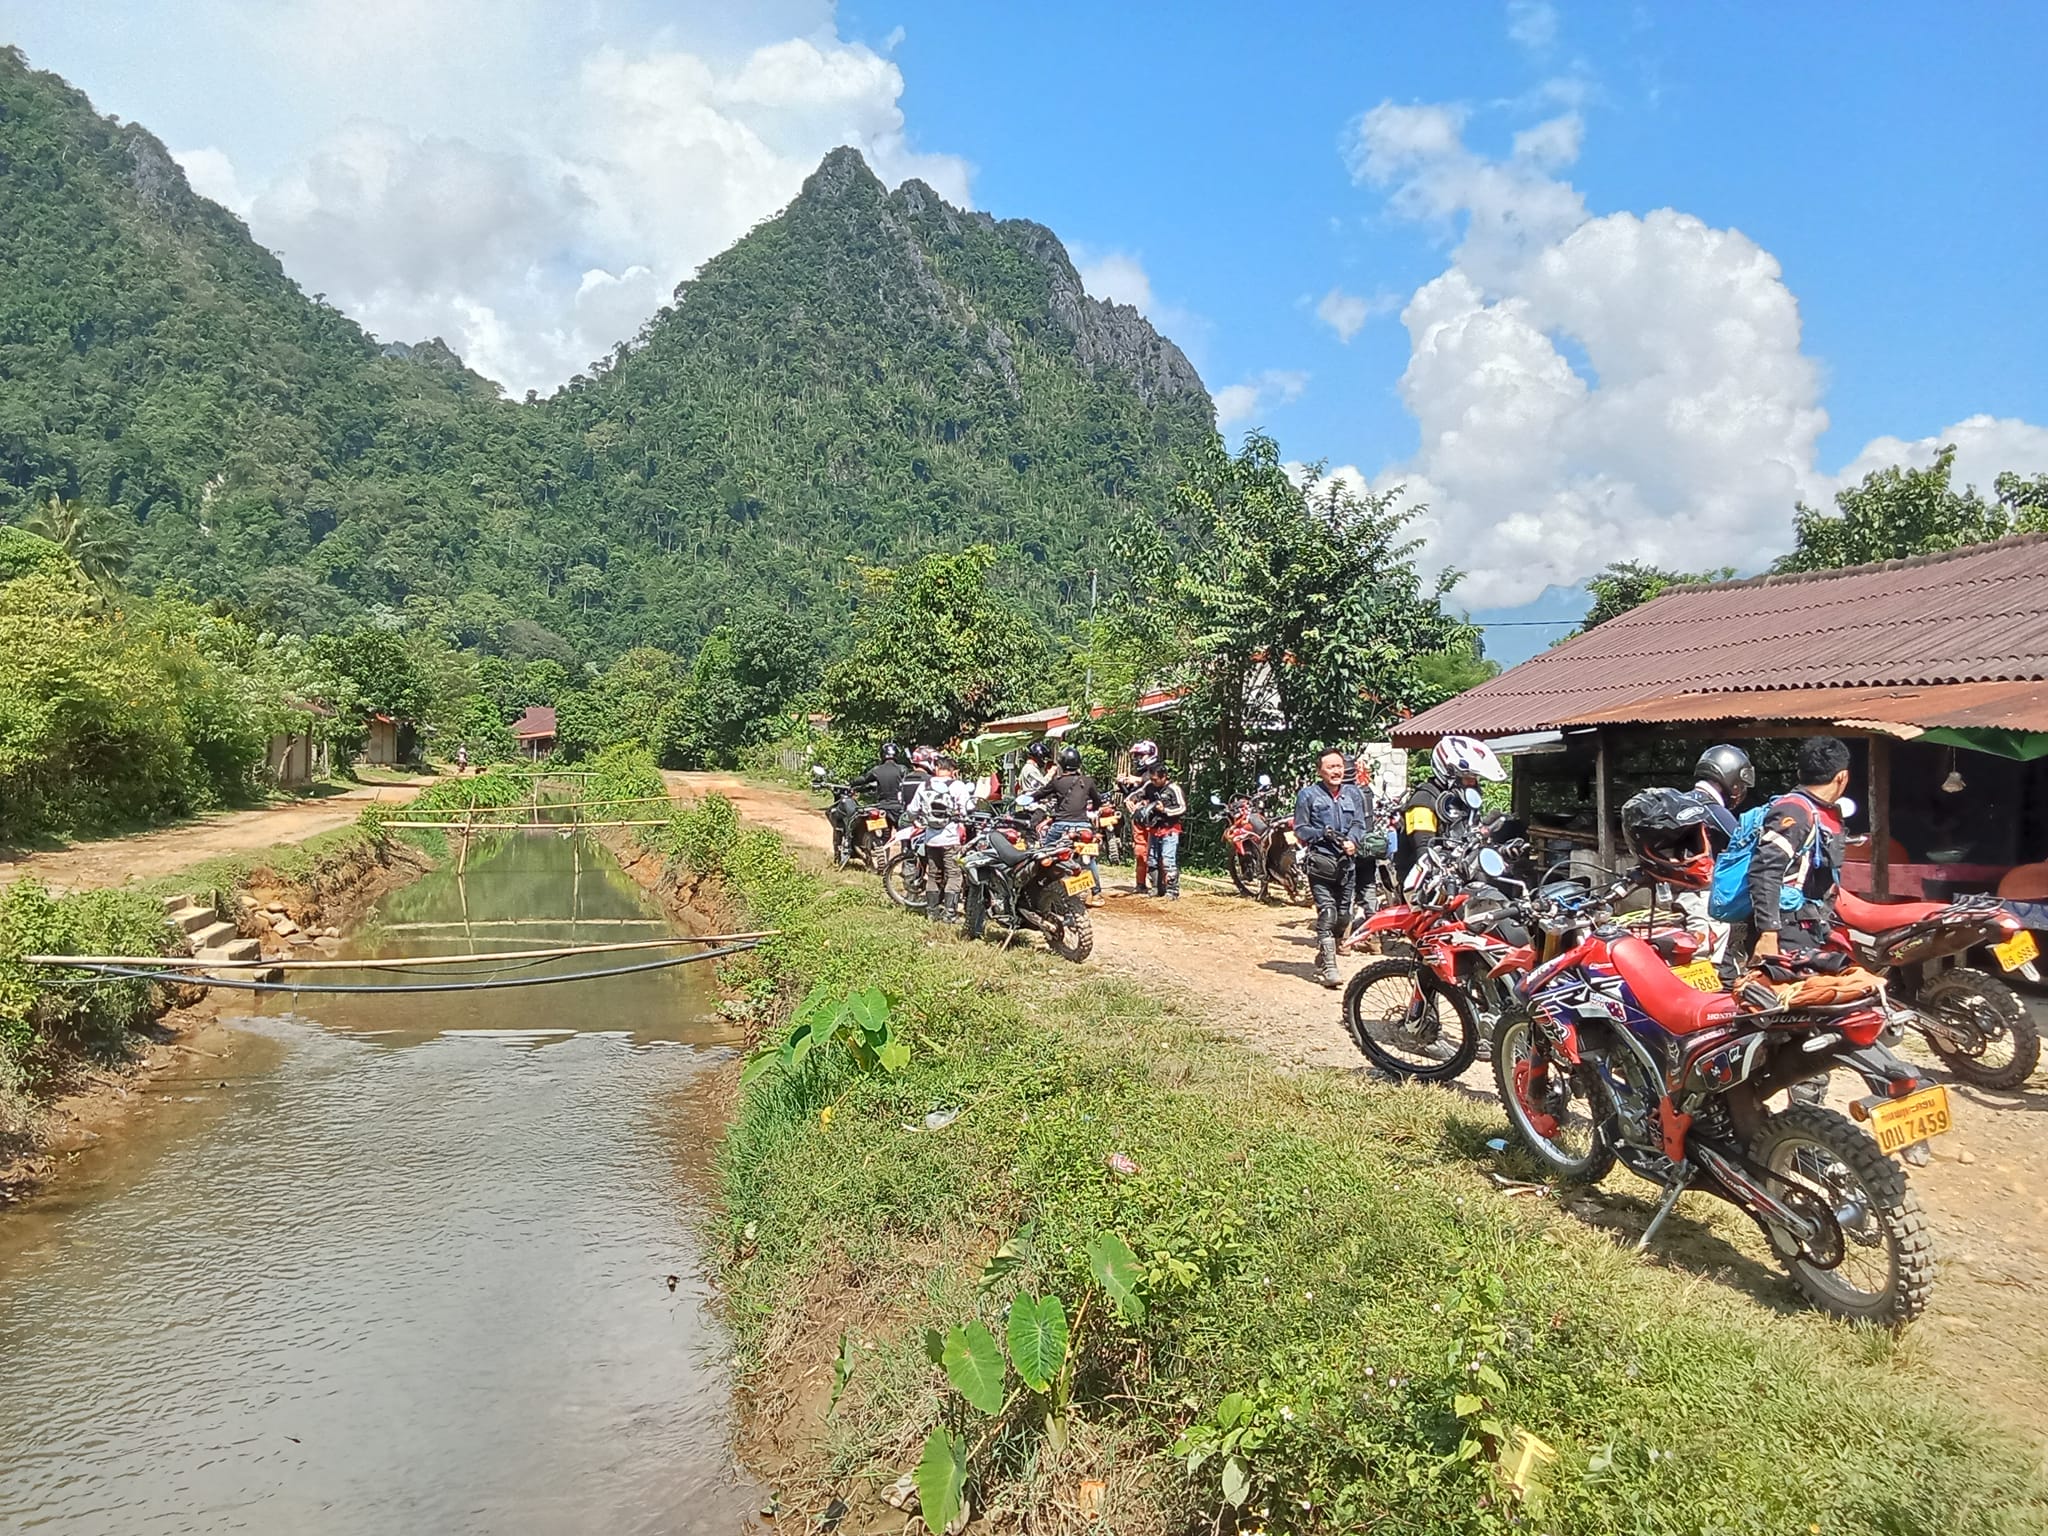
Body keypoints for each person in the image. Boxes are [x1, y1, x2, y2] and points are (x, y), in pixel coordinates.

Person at [1748, 735, 1852, 967]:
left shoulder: (1821, 812)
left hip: (1810, 924)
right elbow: (1765, 870)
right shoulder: (1794, 811)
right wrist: (1768, 933)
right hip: (1787, 929)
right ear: (1842, 777)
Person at [1295, 746, 1375, 987]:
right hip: (1320, 864)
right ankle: (1330, 967)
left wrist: (1353, 840)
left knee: (1344, 916)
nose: (1336, 771)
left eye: (1339, 766)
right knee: (1327, 912)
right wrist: (1323, 834)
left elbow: (1360, 824)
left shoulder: (1354, 794)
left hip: (1346, 865)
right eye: (1330, 767)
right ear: (1320, 771)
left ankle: (1325, 947)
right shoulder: (1307, 795)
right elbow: (1300, 829)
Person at [1393, 735, 1505, 886]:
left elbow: (1472, 839)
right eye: (1467, 777)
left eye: (1475, 777)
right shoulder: (1423, 802)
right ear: (1448, 772)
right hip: (1424, 891)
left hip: (1459, 882)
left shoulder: (1462, 803)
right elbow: (1424, 852)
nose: (1472, 783)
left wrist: (1502, 851)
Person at [905, 754, 976, 923]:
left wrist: (916, 822)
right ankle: (950, 914)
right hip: (951, 838)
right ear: (953, 771)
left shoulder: (925, 785)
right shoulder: (957, 785)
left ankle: (932, 912)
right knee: (954, 875)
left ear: (937, 769)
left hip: (931, 839)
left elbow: (912, 810)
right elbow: (969, 808)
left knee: (933, 875)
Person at [1032, 745, 1106, 906]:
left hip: (1060, 826)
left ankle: (1042, 889)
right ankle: (1096, 894)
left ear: (1061, 764)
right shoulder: (1087, 781)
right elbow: (1097, 800)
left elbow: (1039, 794)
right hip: (1083, 827)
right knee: (1090, 860)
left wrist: (1029, 798)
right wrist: (1092, 808)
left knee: (1045, 852)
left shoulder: (1057, 782)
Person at [1131, 758, 1187, 898]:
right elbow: (1136, 795)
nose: (1153, 782)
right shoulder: (1149, 785)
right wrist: (1132, 802)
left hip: (1170, 829)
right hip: (1154, 828)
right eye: (1152, 779)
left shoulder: (1174, 789)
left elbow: (1182, 808)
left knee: (1168, 860)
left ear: (1164, 777)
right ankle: (1156, 887)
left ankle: (1172, 890)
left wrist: (1165, 810)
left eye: (1156, 779)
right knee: (1152, 860)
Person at [1121, 739, 1161, 892]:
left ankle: (1162, 884)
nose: (1138, 759)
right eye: (1136, 755)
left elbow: (1153, 784)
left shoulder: (1156, 769)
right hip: (1139, 816)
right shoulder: (1138, 773)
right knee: (1140, 850)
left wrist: (1138, 780)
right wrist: (1123, 785)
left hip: (1156, 818)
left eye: (1140, 755)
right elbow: (1132, 794)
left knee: (1158, 850)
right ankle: (1140, 883)